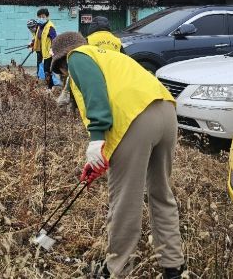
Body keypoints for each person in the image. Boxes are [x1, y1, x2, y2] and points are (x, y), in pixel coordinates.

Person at [50, 32, 185, 279]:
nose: (64, 74)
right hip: (166, 113)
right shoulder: (110, 56)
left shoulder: (77, 56)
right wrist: (100, 157)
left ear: (61, 61)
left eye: (61, 70)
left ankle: (116, 269)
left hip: (136, 120)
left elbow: (96, 94)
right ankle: (173, 267)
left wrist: (96, 138)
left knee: (125, 200)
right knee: (161, 192)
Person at [31, 9, 57, 88]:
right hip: (42, 51)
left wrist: (52, 49)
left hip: (49, 52)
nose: (41, 18)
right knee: (44, 69)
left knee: (47, 70)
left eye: (43, 16)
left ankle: (50, 87)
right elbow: (38, 37)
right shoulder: (40, 26)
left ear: (47, 16)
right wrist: (32, 43)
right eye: (39, 17)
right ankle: (47, 84)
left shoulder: (50, 26)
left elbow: (54, 38)